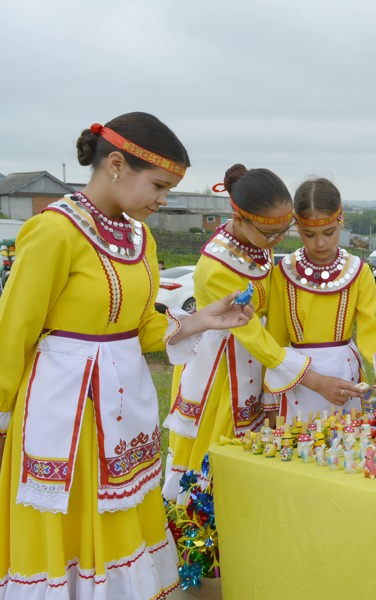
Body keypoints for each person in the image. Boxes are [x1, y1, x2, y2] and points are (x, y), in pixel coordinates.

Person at [0, 113, 253, 599]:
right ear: (116, 164)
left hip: (124, 414)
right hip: (65, 418)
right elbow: (13, 332)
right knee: (68, 535)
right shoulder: (53, 231)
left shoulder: (141, 237)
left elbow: (140, 327)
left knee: (124, 523)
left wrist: (203, 319)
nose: (163, 200)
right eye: (159, 185)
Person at [163, 164, 309, 500]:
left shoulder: (257, 242)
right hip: (220, 369)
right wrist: (300, 373)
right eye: (270, 233)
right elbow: (249, 329)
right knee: (215, 451)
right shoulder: (217, 266)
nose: (278, 240)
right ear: (239, 218)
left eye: (285, 230)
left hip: (249, 356)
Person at [263, 177, 376, 421]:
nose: (320, 243)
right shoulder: (282, 273)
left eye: (329, 232)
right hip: (298, 377)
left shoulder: (358, 271)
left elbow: (374, 325)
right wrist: (270, 396)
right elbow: (275, 337)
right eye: (308, 234)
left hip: (344, 374)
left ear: (341, 220)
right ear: (297, 227)